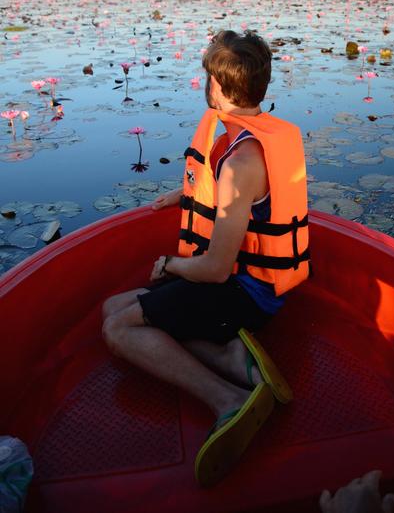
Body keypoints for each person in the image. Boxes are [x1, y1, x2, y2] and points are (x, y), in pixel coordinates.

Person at [102, 30, 310, 486]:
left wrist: (170, 265)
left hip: (245, 292)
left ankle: (227, 398)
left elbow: (215, 269)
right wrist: (186, 193)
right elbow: (245, 197)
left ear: (215, 86)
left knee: (117, 328)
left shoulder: (242, 160)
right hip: (252, 282)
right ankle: (238, 360)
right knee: (112, 307)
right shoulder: (253, 135)